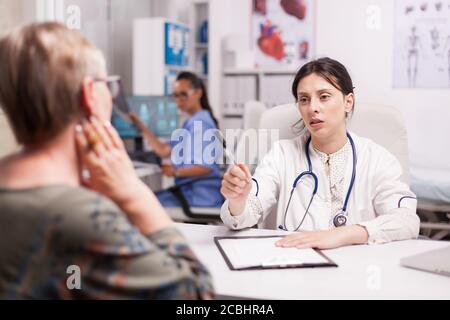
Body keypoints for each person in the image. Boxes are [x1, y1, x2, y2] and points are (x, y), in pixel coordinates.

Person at [0, 22, 213, 299]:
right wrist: (135, 194)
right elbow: (196, 296)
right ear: (90, 95)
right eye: (107, 86)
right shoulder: (86, 217)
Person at [220, 57, 420, 249]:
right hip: (293, 268)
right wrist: (237, 201)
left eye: (324, 97)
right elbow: (246, 212)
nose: (312, 108)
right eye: (304, 99)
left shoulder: (377, 159)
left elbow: (407, 220)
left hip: (356, 272)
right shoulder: (281, 155)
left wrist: (342, 234)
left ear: (348, 102)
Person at [129, 72, 224, 208]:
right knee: (143, 200)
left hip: (198, 196)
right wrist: (141, 126)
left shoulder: (201, 123)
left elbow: (205, 167)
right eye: (176, 95)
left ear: (198, 93)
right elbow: (164, 151)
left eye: (183, 94)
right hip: (189, 192)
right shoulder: (191, 122)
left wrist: (175, 172)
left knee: (140, 205)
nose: (178, 100)